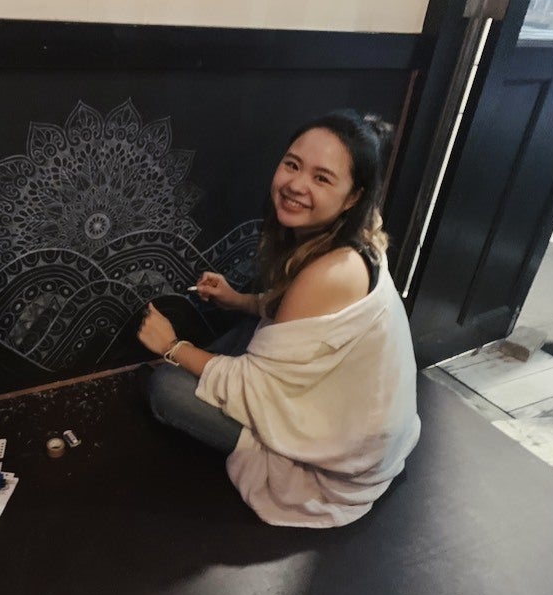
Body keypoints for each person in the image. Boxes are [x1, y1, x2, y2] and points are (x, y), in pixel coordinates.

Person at [137, 109, 421, 527]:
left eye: (322, 178)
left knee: (165, 388)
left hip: (345, 453)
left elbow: (254, 385)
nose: (296, 185)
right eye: (292, 165)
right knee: (247, 332)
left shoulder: (330, 272)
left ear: (353, 196)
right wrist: (239, 301)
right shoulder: (358, 231)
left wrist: (171, 347)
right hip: (355, 415)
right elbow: (299, 316)